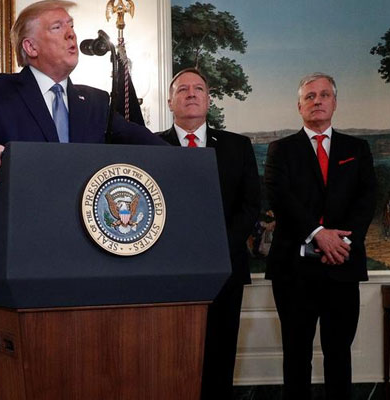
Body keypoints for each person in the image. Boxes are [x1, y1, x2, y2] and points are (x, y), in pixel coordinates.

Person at [0, 0, 165, 188]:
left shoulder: (95, 102)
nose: (71, 34)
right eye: (57, 27)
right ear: (31, 47)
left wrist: (184, 158)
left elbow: (147, 144)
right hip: (23, 213)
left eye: (71, 25)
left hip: (82, 219)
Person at [264, 72, 376, 400]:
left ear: (335, 103)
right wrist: (318, 234)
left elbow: (366, 199)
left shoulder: (357, 148)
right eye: (310, 96)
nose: (317, 101)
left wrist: (342, 242)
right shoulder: (280, 149)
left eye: (324, 95)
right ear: (299, 106)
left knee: (339, 354)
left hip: (342, 266)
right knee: (296, 355)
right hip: (293, 272)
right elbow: (280, 197)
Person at [157, 68, 261, 400]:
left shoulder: (237, 146)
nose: (191, 93)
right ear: (170, 101)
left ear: (208, 99)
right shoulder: (149, 145)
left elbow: (250, 207)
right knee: (168, 358)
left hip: (225, 270)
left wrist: (216, 248)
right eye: (182, 89)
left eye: (198, 88)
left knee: (219, 357)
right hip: (166, 271)